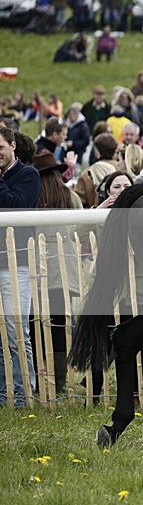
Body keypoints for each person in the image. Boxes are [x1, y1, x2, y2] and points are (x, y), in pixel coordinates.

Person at [31, 152, 83, 394]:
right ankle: (59, 380)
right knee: (61, 324)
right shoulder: (70, 196)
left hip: (38, 266)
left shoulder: (33, 198)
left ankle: (40, 374)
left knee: (36, 323)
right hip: (65, 267)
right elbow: (78, 228)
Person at [0, 128, 41, 407]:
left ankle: (23, 392)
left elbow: (14, 205)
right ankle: (3, 393)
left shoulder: (28, 175)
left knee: (16, 331)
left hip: (14, 265)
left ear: (12, 146)